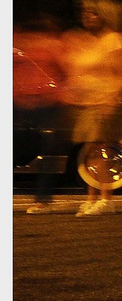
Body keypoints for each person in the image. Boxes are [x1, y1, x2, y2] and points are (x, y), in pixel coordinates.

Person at [63, 0, 122, 216]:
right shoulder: (87, 42)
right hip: (87, 103)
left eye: (93, 13)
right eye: (85, 12)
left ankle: (106, 199)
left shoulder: (113, 41)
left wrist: (111, 98)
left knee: (99, 150)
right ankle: (92, 197)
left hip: (106, 102)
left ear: (104, 16)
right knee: (90, 152)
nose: (88, 16)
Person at [17, 13, 70, 213]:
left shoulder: (53, 46)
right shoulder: (22, 44)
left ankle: (43, 198)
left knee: (48, 151)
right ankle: (42, 198)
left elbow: (66, 71)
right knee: (42, 152)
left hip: (45, 103)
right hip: (24, 102)